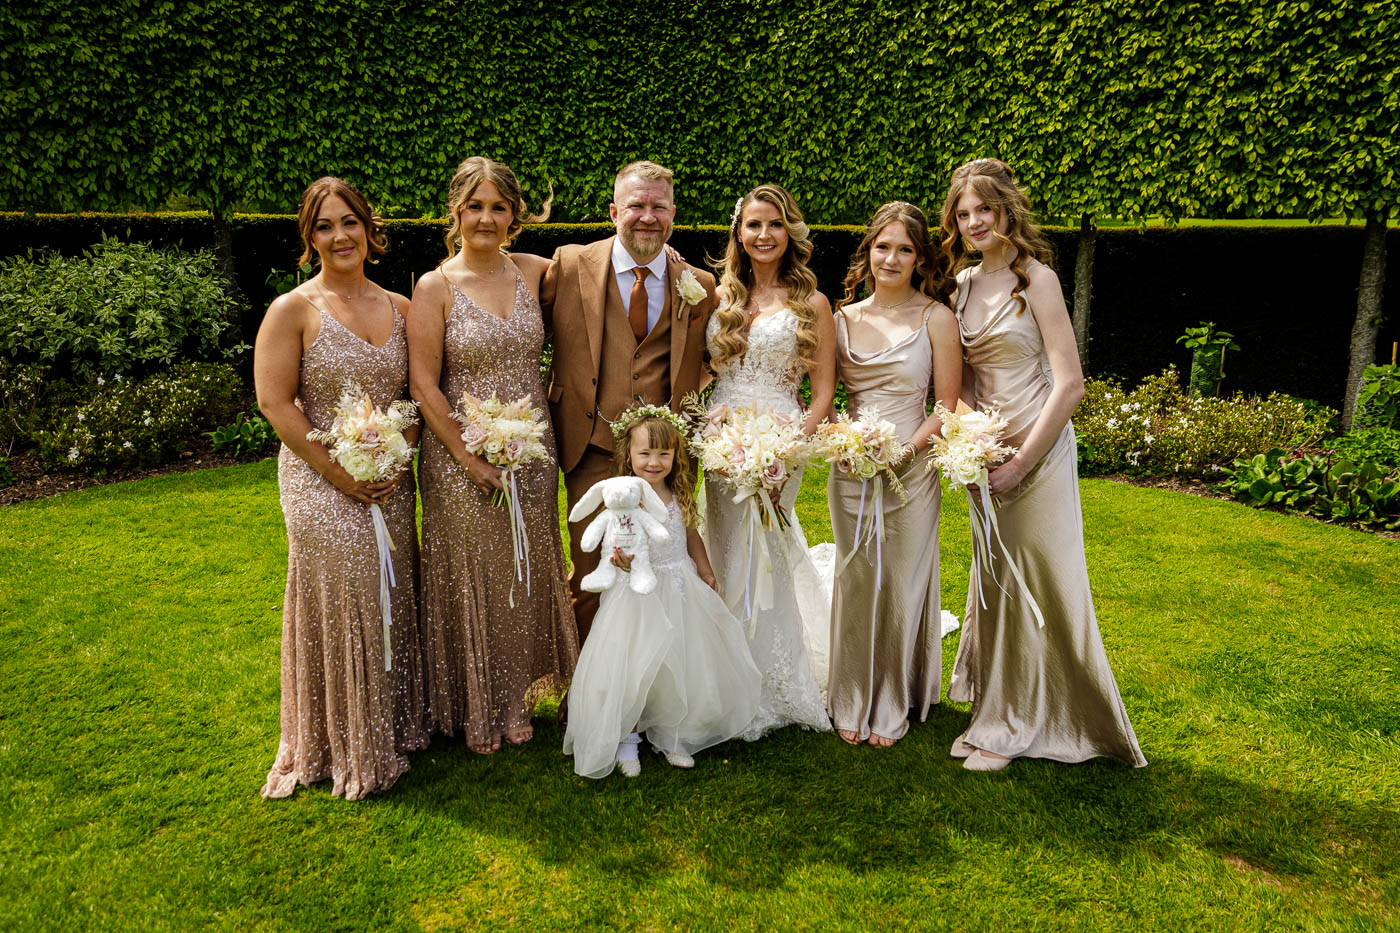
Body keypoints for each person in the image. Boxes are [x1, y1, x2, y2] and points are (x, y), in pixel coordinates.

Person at [940, 157, 1147, 772]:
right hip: (989, 450)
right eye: (964, 213)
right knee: (995, 581)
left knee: (1036, 578)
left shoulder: (1038, 279)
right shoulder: (962, 285)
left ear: (1007, 211)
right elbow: (969, 380)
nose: (975, 221)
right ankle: (995, 714)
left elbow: (1071, 383)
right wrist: (973, 446)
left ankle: (1019, 726)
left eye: (985, 210)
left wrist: (1021, 463)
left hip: (1040, 448)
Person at [255, 177, 428, 799]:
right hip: (318, 477)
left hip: (387, 474)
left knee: (390, 584)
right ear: (310, 238)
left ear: (369, 228)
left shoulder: (403, 308)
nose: (339, 236)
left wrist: (398, 453)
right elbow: (275, 403)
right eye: (324, 226)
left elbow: (417, 397)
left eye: (348, 222)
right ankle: (344, 741)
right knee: (348, 592)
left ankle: (397, 723)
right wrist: (338, 472)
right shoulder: (292, 310)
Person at [408, 156, 577, 755]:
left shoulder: (535, 272)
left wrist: (681, 268)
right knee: (475, 572)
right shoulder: (434, 287)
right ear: (456, 212)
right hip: (461, 455)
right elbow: (424, 384)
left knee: (525, 568)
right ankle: (477, 702)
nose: (486, 218)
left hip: (532, 448)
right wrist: (469, 458)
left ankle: (521, 694)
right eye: (475, 206)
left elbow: (606, 278)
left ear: (515, 216)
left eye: (498, 207)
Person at [539, 161, 718, 647]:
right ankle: (590, 701)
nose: (647, 216)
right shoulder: (570, 264)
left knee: (662, 572)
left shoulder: (699, 285)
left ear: (673, 215)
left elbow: (721, 354)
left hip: (665, 456)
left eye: (658, 206)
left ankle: (653, 698)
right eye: (636, 205)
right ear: (614, 210)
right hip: (590, 444)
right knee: (593, 572)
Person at [826, 202, 963, 748]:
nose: (892, 257)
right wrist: (844, 440)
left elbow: (946, 405)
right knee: (856, 577)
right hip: (852, 469)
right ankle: (850, 694)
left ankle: (892, 696)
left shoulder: (937, 318)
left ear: (920, 257)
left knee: (901, 578)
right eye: (883, 246)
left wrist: (906, 449)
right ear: (869, 251)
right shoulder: (841, 319)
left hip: (914, 467)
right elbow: (823, 398)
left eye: (905, 248)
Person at [563, 406, 762, 778]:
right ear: (628, 455)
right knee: (634, 666)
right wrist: (620, 561)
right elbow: (613, 540)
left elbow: (689, 534)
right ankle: (627, 738)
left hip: (679, 586)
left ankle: (673, 733)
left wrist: (704, 569)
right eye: (645, 453)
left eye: (663, 454)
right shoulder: (625, 498)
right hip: (637, 593)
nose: (654, 462)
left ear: (675, 457)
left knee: (679, 662)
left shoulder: (677, 493)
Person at [703, 183, 836, 737]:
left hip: (781, 436)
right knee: (720, 545)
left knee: (768, 549)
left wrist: (787, 447)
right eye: (753, 225)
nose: (764, 235)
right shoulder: (717, 297)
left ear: (790, 233)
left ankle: (773, 677)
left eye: (774, 224)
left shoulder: (813, 303)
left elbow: (825, 391)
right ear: (739, 232)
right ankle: (716, 670)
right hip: (720, 436)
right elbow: (700, 371)